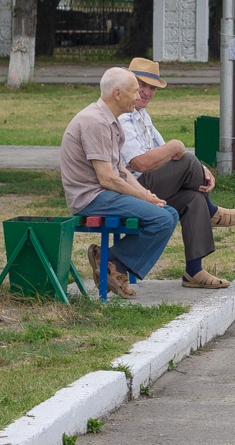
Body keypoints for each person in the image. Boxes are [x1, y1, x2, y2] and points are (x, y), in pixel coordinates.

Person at [119, 58, 235, 290]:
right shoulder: (123, 116)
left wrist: (201, 170)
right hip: (132, 189)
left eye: (152, 88)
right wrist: (181, 154)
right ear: (127, 85)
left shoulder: (142, 116)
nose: (146, 93)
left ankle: (194, 271)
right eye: (141, 85)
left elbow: (169, 154)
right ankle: (212, 211)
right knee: (185, 158)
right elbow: (140, 163)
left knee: (194, 197)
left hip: (150, 185)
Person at [60, 68, 178, 298]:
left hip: (103, 193)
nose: (138, 96)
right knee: (162, 219)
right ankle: (110, 262)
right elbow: (107, 178)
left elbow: (120, 169)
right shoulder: (95, 122)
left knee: (170, 214)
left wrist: (146, 193)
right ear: (117, 93)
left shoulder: (109, 120)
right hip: (91, 198)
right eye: (134, 91)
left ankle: (112, 266)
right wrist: (143, 198)